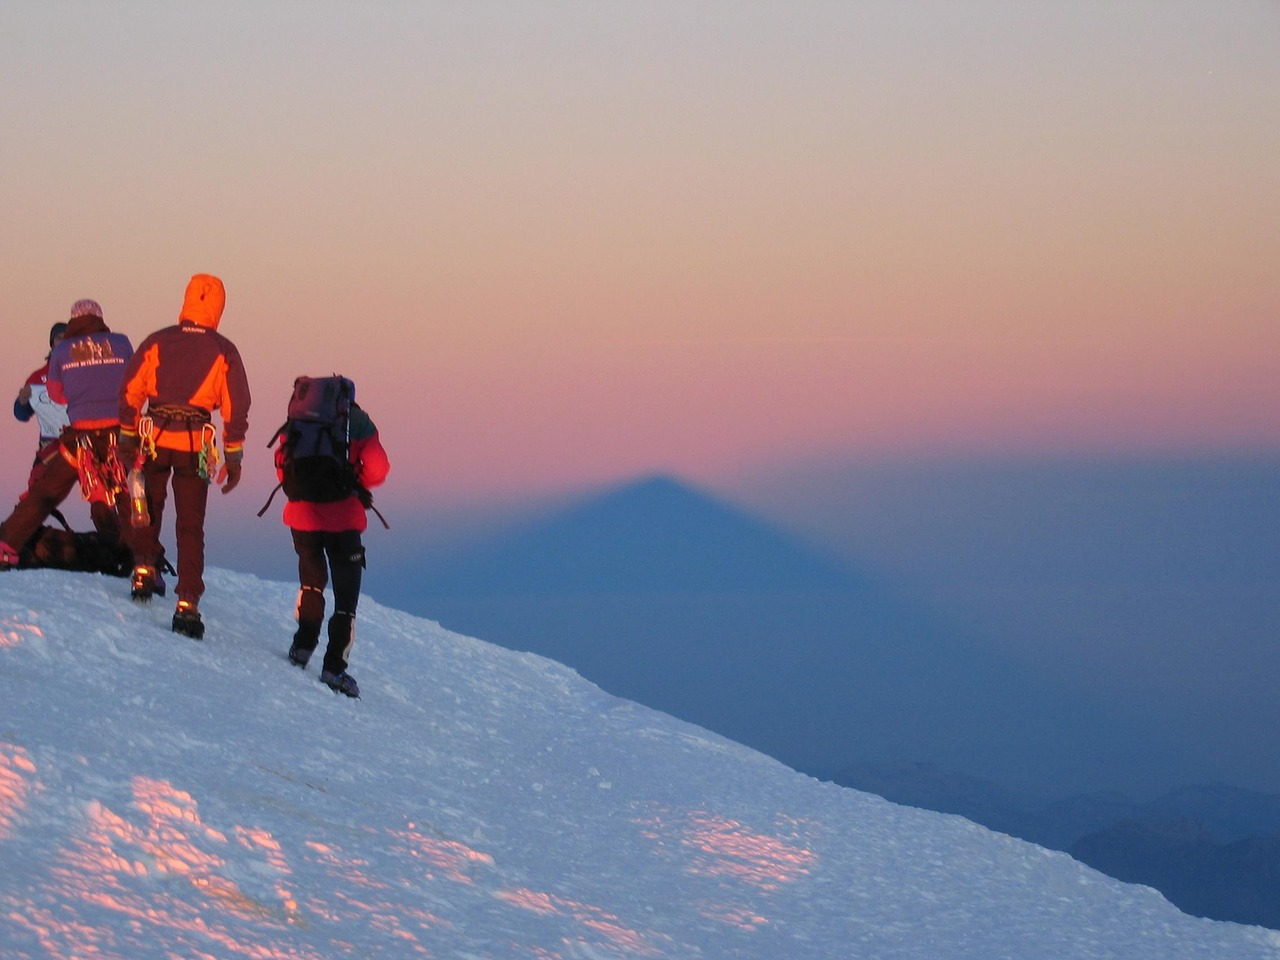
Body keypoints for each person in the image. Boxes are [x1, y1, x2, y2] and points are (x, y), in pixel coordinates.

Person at [118, 274, 251, 639]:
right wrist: (233, 458)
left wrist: (128, 438)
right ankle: (188, 604)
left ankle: (144, 571)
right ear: (218, 308)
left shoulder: (157, 341)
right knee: (190, 525)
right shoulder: (224, 350)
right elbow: (236, 406)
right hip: (196, 448)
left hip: (154, 440)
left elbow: (130, 391)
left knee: (147, 508)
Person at [0, 302, 133, 568]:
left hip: (78, 438)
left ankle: (7, 544)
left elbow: (57, 395)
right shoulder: (121, 343)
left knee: (46, 491)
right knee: (116, 492)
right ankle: (137, 555)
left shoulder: (62, 353)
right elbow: (133, 381)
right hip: (117, 435)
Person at [279, 392, 389, 698]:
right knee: (345, 600)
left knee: (311, 584)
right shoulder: (357, 421)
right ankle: (334, 668)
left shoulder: (300, 417)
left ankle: (302, 647)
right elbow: (379, 467)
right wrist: (356, 483)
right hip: (343, 518)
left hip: (302, 516)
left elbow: (282, 463)